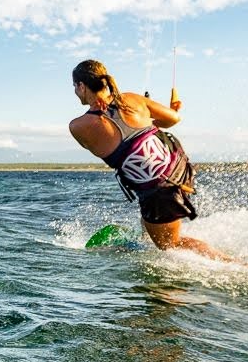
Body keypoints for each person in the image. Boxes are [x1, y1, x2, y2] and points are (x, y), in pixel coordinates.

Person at [68, 59, 231, 260]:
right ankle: (148, 236)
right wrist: (147, 120)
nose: (75, 92)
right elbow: (173, 119)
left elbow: (101, 145)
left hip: (159, 187)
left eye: (75, 86)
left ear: (82, 86)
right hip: (179, 166)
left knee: (171, 245)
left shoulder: (78, 126)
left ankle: (242, 267)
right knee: (148, 222)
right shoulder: (132, 99)